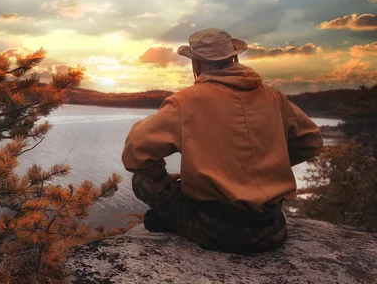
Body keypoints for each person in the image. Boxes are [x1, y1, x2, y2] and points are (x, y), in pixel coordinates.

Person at [122, 28, 323, 254]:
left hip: (218, 232)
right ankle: (177, 221)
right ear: (234, 58)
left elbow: (134, 154)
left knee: (142, 180)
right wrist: (271, 163)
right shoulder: (273, 96)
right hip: (272, 228)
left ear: (196, 65)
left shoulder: (185, 102)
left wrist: (163, 178)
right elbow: (311, 142)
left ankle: (179, 224)